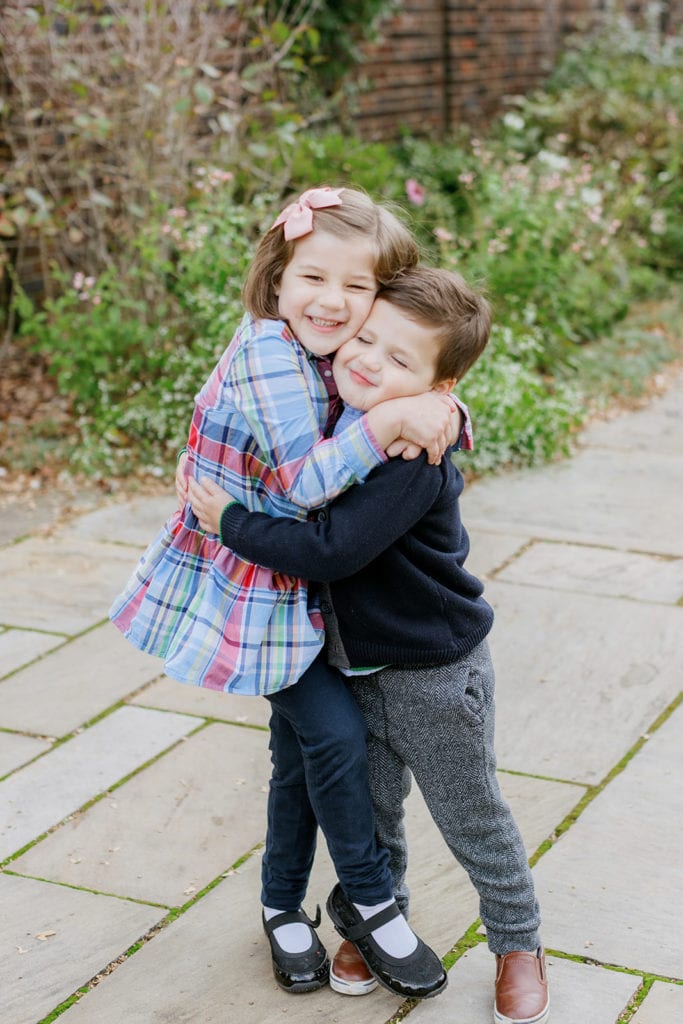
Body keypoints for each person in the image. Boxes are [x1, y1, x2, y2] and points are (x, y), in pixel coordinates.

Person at [110, 188, 465, 1000]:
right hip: (253, 588)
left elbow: (401, 371)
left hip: (302, 584)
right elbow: (306, 482)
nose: (332, 303)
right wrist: (387, 425)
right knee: (333, 739)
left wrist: (436, 400)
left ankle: (279, 907)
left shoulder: (331, 349)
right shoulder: (270, 355)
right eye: (312, 278)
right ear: (276, 278)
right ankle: (372, 902)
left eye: (357, 288)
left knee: (296, 761)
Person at [189, 266, 549, 1024]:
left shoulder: (411, 456)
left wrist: (230, 522)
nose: (368, 361)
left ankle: (517, 941)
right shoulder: (335, 415)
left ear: (437, 386)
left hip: (432, 669)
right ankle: (369, 922)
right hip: (351, 663)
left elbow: (329, 551)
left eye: (399, 361)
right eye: (365, 338)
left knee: (469, 811)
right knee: (372, 812)